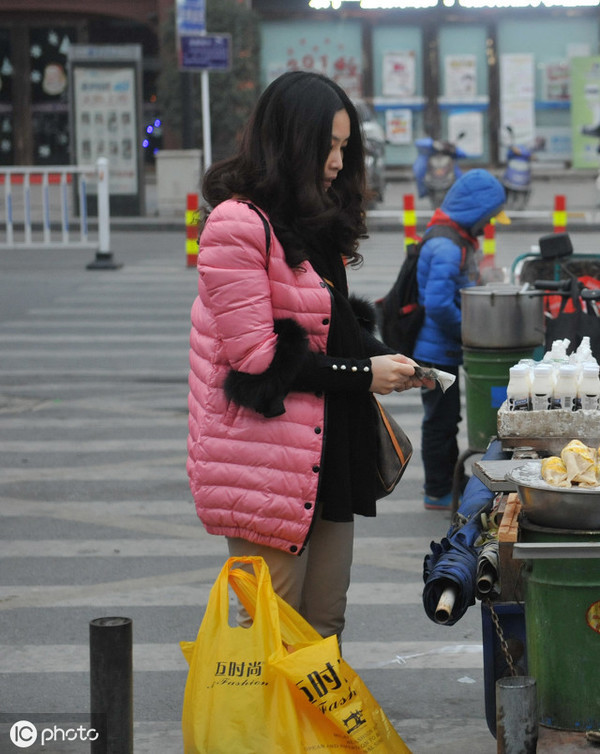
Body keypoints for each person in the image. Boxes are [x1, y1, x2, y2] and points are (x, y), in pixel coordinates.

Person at [187, 71, 432, 641]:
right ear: (293, 140)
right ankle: (255, 735)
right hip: (264, 464)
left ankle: (311, 734)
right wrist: (364, 374)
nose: (338, 161)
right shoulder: (237, 225)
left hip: (328, 455)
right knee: (269, 630)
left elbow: (329, 327)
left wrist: (388, 358)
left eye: (346, 147)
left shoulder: (312, 221)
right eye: (330, 145)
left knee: (323, 623)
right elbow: (256, 358)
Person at [412, 168, 510, 510]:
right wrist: (468, 333)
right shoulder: (445, 246)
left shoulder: (456, 240)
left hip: (442, 348)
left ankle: (447, 482)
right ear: (474, 211)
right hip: (433, 353)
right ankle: (437, 489)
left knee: (447, 417)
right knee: (439, 420)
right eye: (488, 216)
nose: (489, 224)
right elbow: (437, 304)